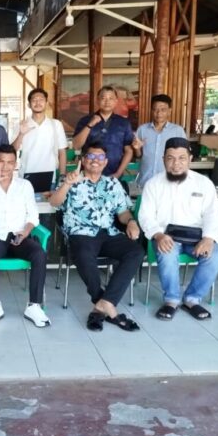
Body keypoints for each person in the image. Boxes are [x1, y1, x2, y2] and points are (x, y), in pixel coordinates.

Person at [50, 142, 144, 332]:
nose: (95, 160)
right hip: (81, 233)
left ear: (105, 161)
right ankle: (107, 305)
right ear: (83, 160)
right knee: (84, 255)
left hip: (108, 233)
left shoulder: (113, 184)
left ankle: (102, 305)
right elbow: (54, 202)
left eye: (100, 157)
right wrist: (67, 184)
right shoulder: (71, 180)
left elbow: (123, 212)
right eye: (91, 156)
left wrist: (131, 222)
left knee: (135, 252)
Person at [138, 137, 218, 322]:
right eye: (170, 158)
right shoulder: (153, 184)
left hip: (197, 237)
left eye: (181, 158)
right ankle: (171, 300)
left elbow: (213, 214)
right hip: (165, 236)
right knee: (167, 253)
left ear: (190, 159)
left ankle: (192, 299)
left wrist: (209, 238)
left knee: (215, 256)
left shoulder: (203, 183)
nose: (176, 164)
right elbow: (145, 216)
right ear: (163, 159)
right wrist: (158, 235)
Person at [0, 144, 49, 328]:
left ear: (15, 164)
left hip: (19, 235)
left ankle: (34, 306)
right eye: (1, 161)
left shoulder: (24, 185)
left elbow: (33, 215)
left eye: (10, 162)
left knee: (39, 254)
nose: (5, 166)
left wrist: (26, 232)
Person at [72, 86, 133, 178]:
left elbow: (128, 151)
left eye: (111, 98)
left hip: (114, 173)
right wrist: (89, 125)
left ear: (116, 101)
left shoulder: (123, 123)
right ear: (97, 100)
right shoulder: (85, 120)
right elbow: (76, 146)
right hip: (88, 173)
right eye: (103, 98)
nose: (107, 102)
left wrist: (118, 173)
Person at [12, 88, 67, 182]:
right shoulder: (21, 124)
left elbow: (62, 152)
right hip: (26, 177)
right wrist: (21, 134)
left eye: (41, 100)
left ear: (46, 103)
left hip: (50, 176)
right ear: (29, 104)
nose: (38, 103)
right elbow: (12, 150)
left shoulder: (56, 124)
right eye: (34, 100)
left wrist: (62, 175)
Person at [131, 94, 186, 185]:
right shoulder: (142, 129)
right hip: (146, 181)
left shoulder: (178, 131)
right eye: (155, 109)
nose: (159, 113)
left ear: (169, 111)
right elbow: (139, 156)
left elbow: (183, 156)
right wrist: (137, 149)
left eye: (163, 110)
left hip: (169, 181)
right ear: (151, 110)